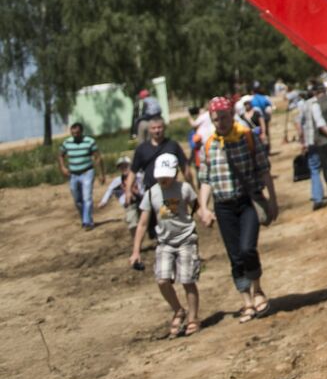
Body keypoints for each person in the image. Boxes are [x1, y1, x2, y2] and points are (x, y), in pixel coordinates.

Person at [197, 95, 278, 322]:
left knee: (247, 248)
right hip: (223, 207)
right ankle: (247, 301)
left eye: (224, 117)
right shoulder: (209, 144)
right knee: (235, 256)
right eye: (216, 119)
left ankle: (258, 289)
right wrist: (203, 207)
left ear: (232, 115)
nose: (220, 122)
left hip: (246, 202)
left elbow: (264, 170)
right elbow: (205, 179)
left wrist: (272, 200)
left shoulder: (247, 138)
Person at [130, 153, 202, 338]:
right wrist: (136, 250)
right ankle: (178, 310)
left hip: (186, 239)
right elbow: (143, 223)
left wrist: (204, 215)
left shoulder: (185, 189)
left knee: (187, 280)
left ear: (175, 173)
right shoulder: (151, 193)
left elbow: (197, 206)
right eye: (160, 175)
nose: (163, 179)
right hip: (165, 243)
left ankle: (193, 319)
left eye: (167, 175)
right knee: (162, 280)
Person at [59, 121, 104, 230]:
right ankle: (86, 217)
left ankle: (87, 222)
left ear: (81, 132)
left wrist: (101, 174)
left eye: (77, 133)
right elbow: (60, 155)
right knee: (77, 200)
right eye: (73, 133)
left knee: (87, 198)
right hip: (73, 175)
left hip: (87, 172)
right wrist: (63, 167)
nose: (75, 135)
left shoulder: (89, 142)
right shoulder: (67, 143)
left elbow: (97, 157)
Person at [98, 156, 142, 234]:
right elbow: (109, 190)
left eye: (126, 166)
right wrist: (103, 201)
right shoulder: (117, 180)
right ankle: (136, 241)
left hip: (143, 201)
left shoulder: (139, 176)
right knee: (132, 225)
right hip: (130, 204)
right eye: (121, 167)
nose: (124, 168)